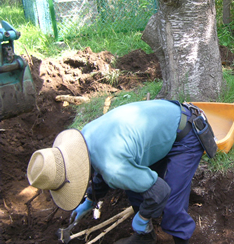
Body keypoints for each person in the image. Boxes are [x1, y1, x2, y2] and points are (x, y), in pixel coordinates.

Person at [26, 99, 211, 244]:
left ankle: (180, 239)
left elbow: (160, 191)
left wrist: (142, 217)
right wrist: (90, 199)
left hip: (187, 133)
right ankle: (145, 236)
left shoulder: (113, 168)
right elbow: (99, 167)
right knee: (135, 185)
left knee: (171, 204)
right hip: (161, 128)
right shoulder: (85, 138)